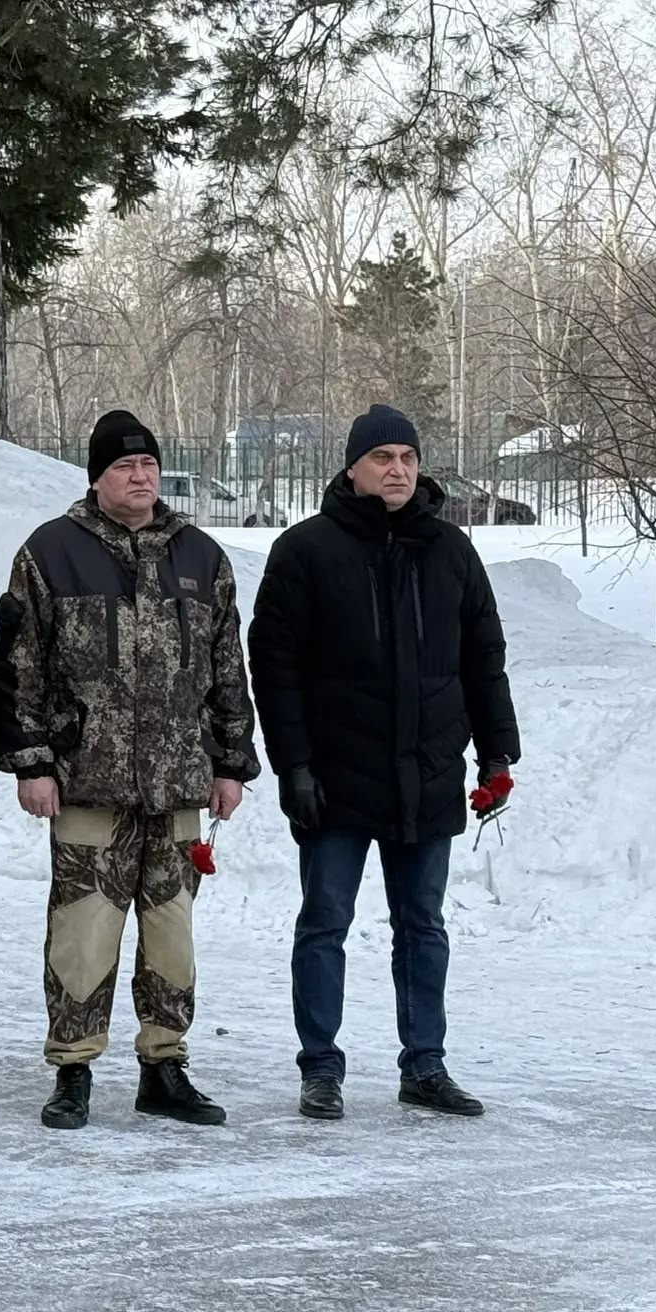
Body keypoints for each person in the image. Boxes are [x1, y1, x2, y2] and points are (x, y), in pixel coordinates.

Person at [248, 403, 520, 1121]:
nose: (396, 469)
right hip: (335, 777)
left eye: (406, 457)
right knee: (326, 920)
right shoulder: (306, 550)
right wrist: (294, 766)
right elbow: (274, 666)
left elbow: (483, 660)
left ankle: (424, 1065)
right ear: (352, 467)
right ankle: (320, 1067)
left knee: (423, 924)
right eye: (382, 458)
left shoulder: (452, 551)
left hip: (428, 772)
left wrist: (496, 754)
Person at [0, 410, 259, 1130]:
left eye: (148, 466)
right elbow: (19, 669)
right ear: (96, 477)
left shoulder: (201, 557)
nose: (140, 477)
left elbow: (227, 670)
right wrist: (30, 763)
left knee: (171, 931)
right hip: (87, 782)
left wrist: (231, 761)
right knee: (83, 932)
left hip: (177, 784)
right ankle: (72, 1068)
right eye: (123, 467)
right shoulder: (50, 553)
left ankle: (164, 1066)